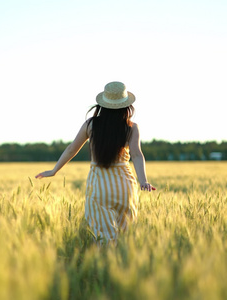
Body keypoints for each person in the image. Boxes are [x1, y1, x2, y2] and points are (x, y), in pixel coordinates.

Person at [36, 81, 156, 244]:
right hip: (124, 185)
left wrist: (54, 170)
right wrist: (143, 181)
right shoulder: (132, 127)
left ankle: (104, 263)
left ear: (103, 104)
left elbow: (72, 149)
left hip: (99, 184)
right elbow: (136, 154)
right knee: (125, 236)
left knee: (103, 237)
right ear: (126, 106)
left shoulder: (91, 125)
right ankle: (121, 266)